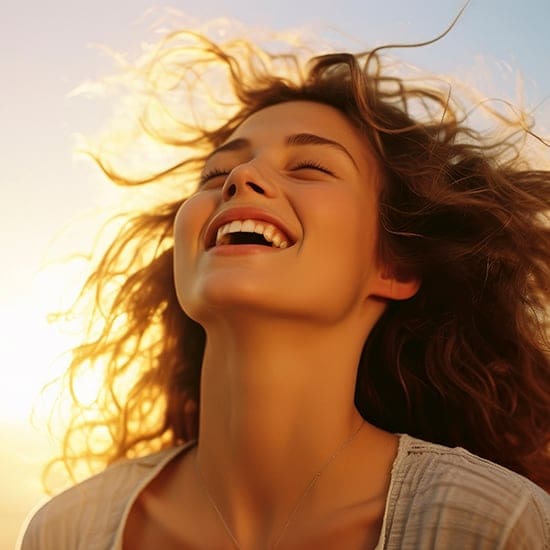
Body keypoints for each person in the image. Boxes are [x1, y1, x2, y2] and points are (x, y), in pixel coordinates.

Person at [19, 24, 550, 550]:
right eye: (216, 173)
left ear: (394, 267)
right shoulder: (68, 531)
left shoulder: (489, 524)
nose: (241, 177)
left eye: (311, 166)